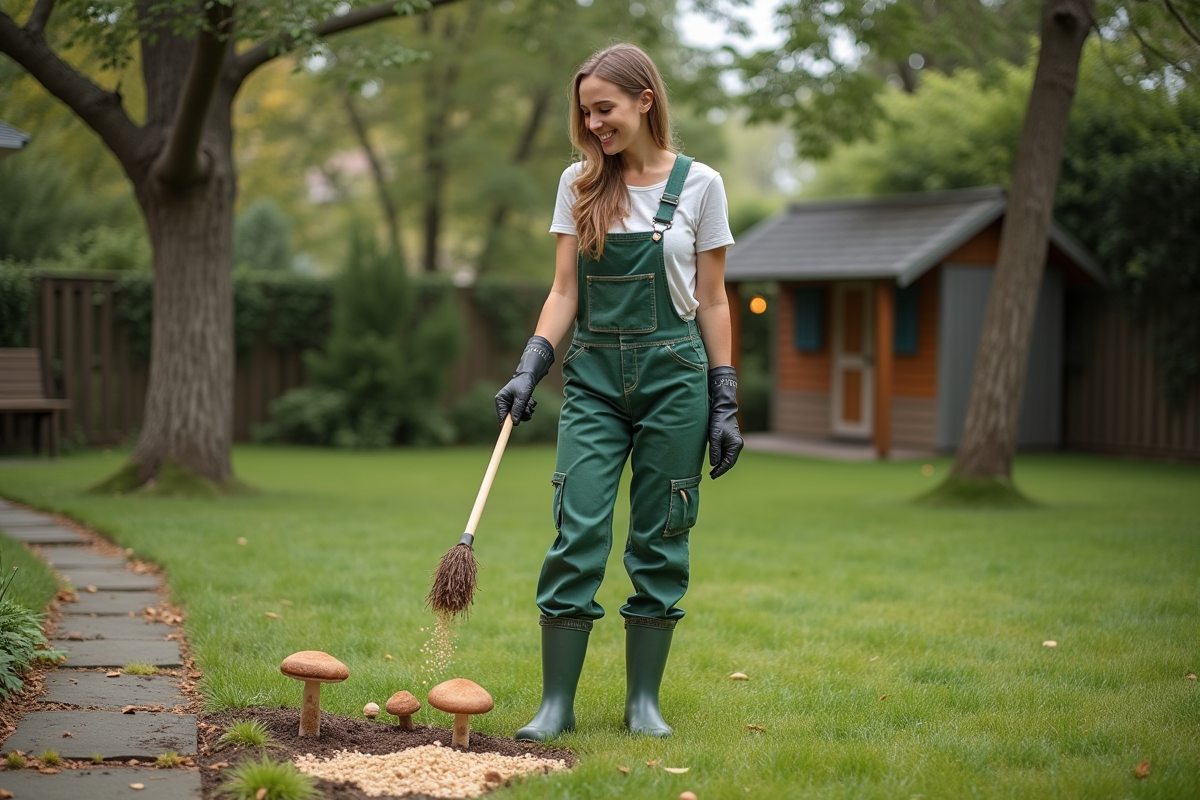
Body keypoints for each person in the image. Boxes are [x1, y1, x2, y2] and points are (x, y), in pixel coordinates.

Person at [495, 42, 743, 741]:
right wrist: (530, 364)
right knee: (577, 528)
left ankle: (643, 705)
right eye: (586, 114)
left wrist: (723, 397)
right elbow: (563, 290)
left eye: (605, 110)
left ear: (645, 99)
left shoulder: (701, 185)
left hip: (677, 377)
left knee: (662, 534)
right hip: (595, 380)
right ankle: (555, 706)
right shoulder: (578, 183)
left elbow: (716, 300)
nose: (595, 124)